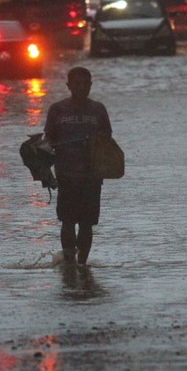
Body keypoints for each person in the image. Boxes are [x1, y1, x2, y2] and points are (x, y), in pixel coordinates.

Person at [44, 66, 112, 266]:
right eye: (77, 84)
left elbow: (107, 138)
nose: (81, 88)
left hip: (92, 177)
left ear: (90, 86)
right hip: (66, 176)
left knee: (87, 224)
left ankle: (82, 263)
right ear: (69, 86)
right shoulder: (57, 110)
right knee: (67, 221)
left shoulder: (98, 109)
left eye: (85, 84)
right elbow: (49, 141)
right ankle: (68, 261)